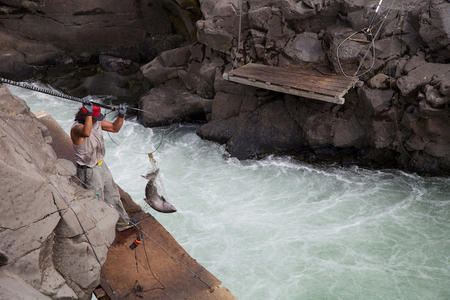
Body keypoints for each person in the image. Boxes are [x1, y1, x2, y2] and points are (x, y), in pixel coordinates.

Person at [70, 99, 137, 231]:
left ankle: (123, 223)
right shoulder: (76, 129)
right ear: (87, 117)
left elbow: (114, 128)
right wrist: (90, 115)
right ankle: (101, 231)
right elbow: (86, 132)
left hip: (101, 164)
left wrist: (121, 116)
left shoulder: (95, 122)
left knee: (112, 195)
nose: (98, 120)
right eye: (95, 117)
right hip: (89, 170)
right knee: (96, 200)